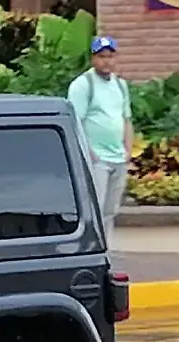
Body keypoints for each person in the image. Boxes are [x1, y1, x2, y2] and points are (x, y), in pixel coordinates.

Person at [67, 35, 133, 249]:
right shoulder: (83, 85)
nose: (106, 61)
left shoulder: (121, 85)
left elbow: (126, 119)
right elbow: (75, 122)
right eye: (102, 56)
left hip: (118, 158)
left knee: (110, 211)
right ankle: (90, 250)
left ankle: (106, 251)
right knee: (95, 208)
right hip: (97, 160)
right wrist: (90, 154)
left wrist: (128, 151)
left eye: (110, 56)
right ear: (93, 58)